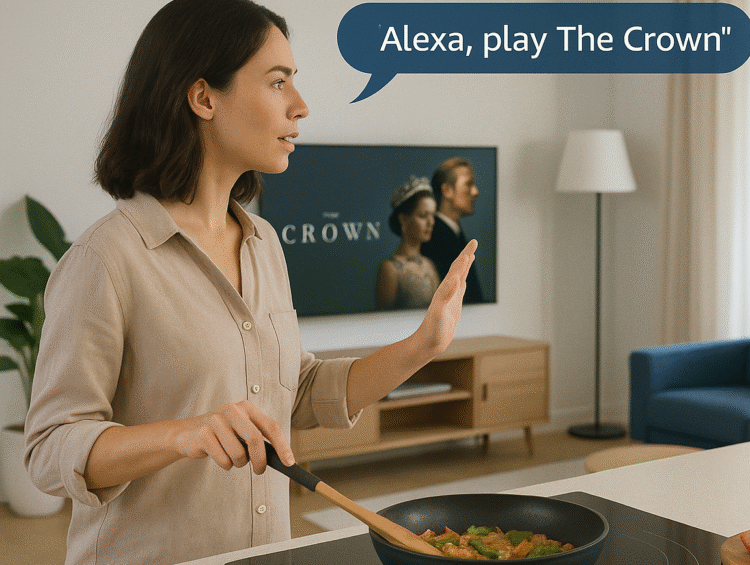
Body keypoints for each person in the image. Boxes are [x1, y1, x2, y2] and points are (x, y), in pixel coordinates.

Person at [21, 1, 476, 563]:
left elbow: (297, 392)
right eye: (277, 82)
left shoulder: (263, 243)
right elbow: (47, 452)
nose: (301, 106)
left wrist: (424, 346)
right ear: (204, 97)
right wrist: (180, 435)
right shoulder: (106, 259)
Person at [422, 157, 485, 304]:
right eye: (469, 184)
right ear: (447, 190)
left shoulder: (454, 234)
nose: (475, 192)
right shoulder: (435, 239)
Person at [375, 176, 441, 310]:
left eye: (433, 216)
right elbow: (382, 322)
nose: (431, 223)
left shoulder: (429, 264)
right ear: (403, 219)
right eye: (423, 215)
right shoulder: (390, 269)